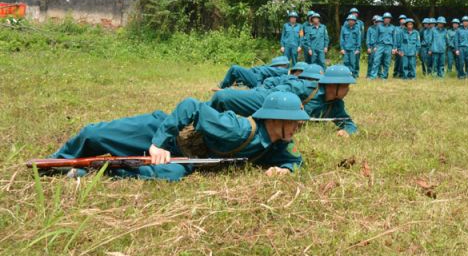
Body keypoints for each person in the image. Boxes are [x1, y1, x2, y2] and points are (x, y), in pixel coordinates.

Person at [46, 91, 309, 181]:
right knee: (94, 134)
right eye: (295, 122)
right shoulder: (237, 129)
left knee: (170, 175)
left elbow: (295, 161)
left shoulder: (275, 144)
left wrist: (285, 170)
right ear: (275, 120)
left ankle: (93, 171)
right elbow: (190, 105)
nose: (298, 126)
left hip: (184, 158)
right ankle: (53, 163)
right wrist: (158, 144)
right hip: (162, 132)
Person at [303, 65, 357, 136]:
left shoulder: (336, 104)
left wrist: (346, 131)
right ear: (333, 84)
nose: (348, 90)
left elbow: (348, 123)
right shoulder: (309, 90)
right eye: (345, 86)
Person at [217, 56, 290, 89]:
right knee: (239, 72)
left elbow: (262, 72)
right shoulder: (278, 69)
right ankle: (235, 83)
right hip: (257, 79)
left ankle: (222, 86)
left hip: (257, 81)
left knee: (235, 68)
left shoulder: (282, 70)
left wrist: (258, 87)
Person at [368, 13, 395, 79]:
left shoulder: (393, 27)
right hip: (380, 46)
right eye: (385, 18)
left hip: (389, 46)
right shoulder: (379, 27)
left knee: (386, 62)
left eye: (388, 18)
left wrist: (394, 48)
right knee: (376, 60)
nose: (387, 19)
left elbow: (394, 38)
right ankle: (373, 76)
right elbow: (376, 37)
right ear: (383, 19)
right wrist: (375, 46)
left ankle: (384, 76)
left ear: (390, 19)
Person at [343, 8, 365, 75]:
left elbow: (362, 33)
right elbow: (344, 33)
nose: (354, 14)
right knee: (348, 60)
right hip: (349, 44)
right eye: (352, 13)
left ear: (357, 14)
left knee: (356, 59)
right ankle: (349, 73)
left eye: (355, 13)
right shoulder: (346, 22)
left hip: (357, 44)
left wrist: (359, 44)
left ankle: (356, 73)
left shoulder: (360, 23)